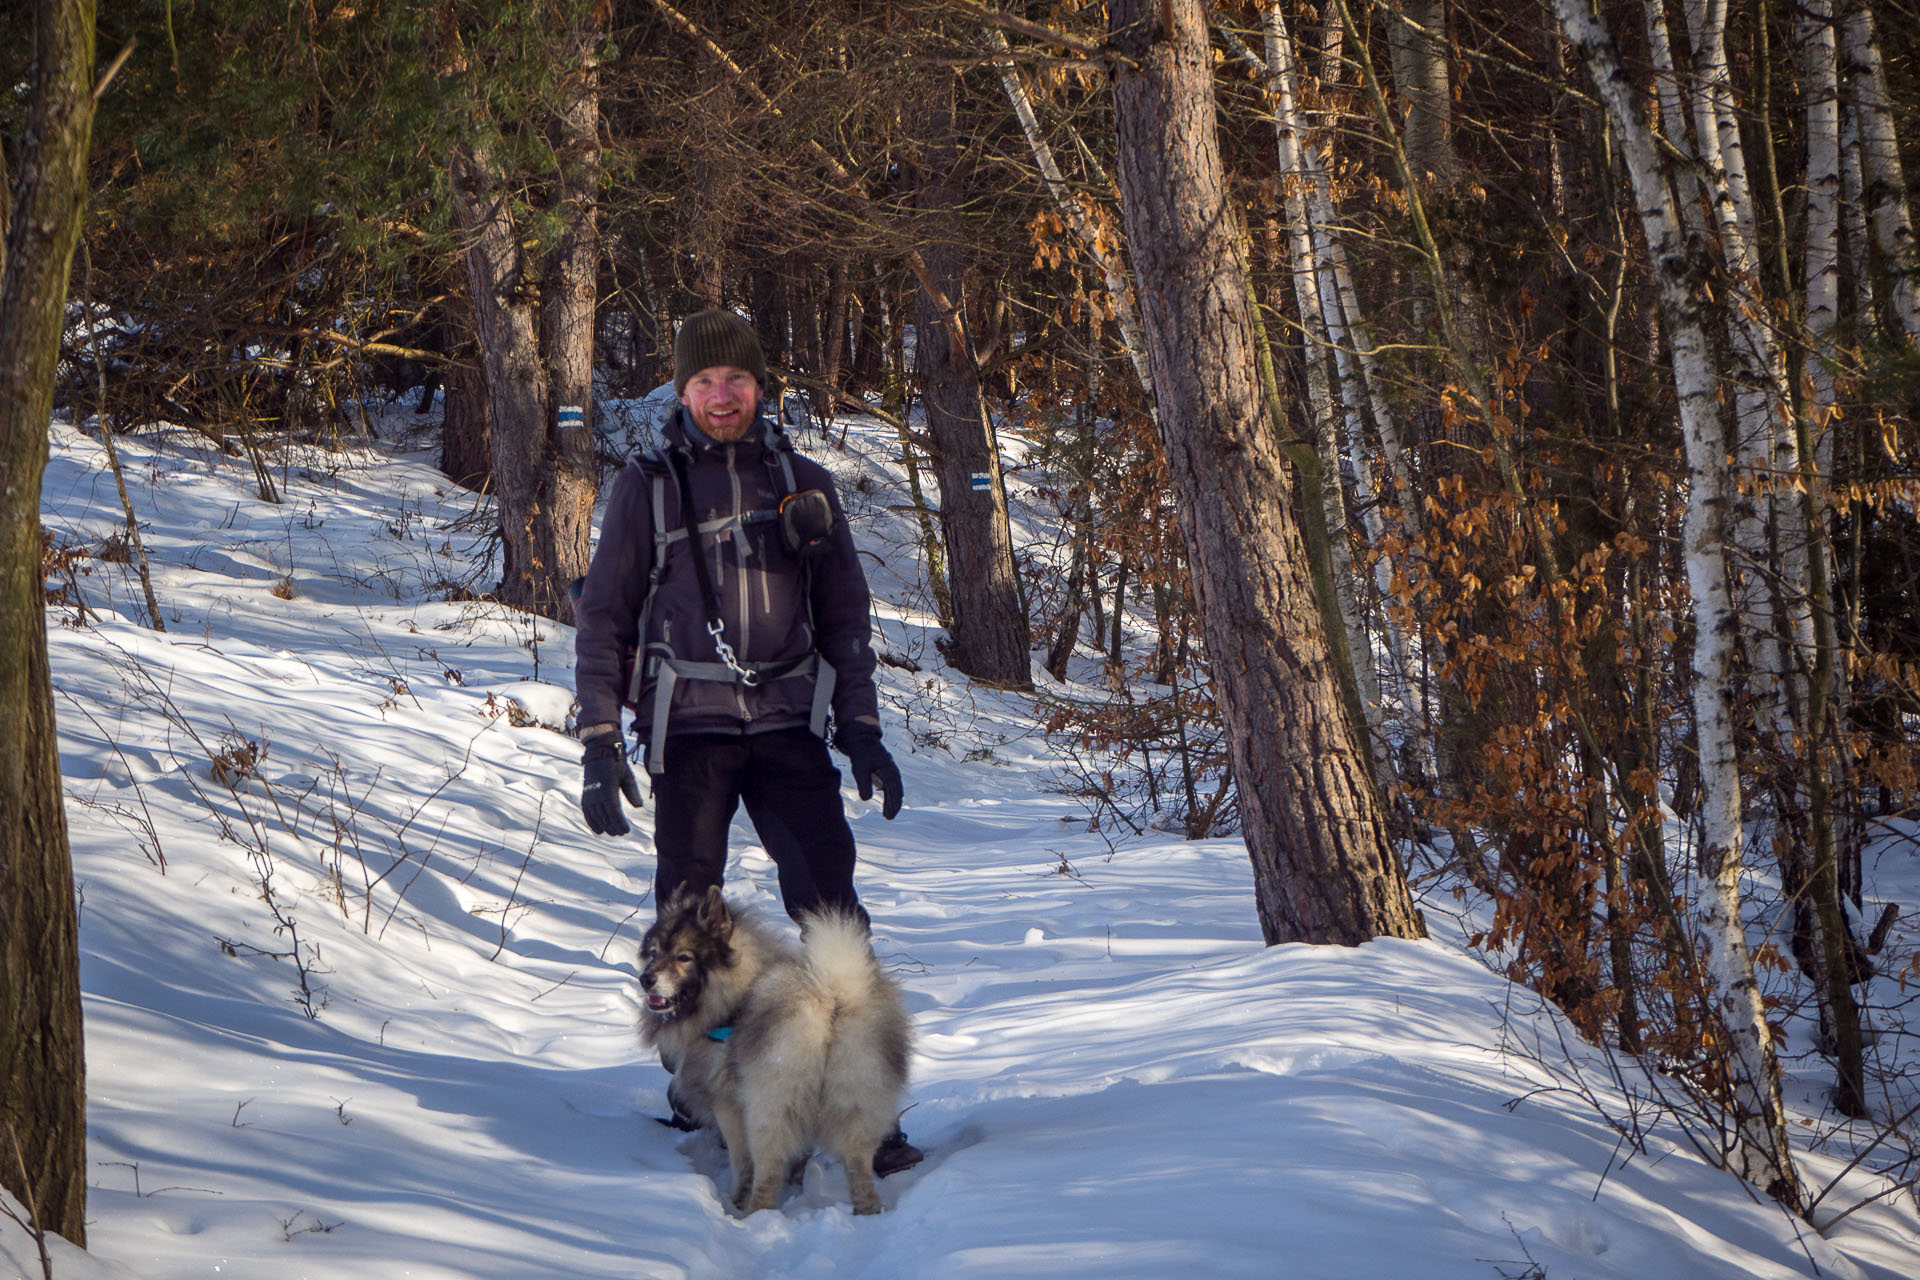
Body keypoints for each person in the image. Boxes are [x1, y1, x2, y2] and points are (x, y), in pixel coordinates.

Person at [573, 309, 921, 1172]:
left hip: (787, 726)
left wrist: (864, 733)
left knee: (831, 913)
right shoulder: (646, 488)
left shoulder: (803, 483)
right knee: (686, 924)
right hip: (687, 731)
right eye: (703, 382)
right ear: (682, 390)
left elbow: (845, 618)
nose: (720, 396)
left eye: (735, 380)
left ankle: (864, 1115)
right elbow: (604, 617)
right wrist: (598, 739)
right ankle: (704, 1092)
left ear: (760, 387)